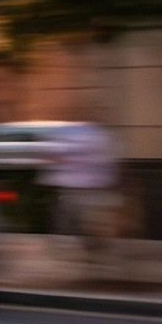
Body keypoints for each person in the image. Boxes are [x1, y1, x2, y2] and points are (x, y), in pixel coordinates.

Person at [42, 119, 122, 278]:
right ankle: (93, 250)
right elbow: (108, 159)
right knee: (89, 219)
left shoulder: (71, 134)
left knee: (80, 218)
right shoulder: (97, 134)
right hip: (91, 185)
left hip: (79, 185)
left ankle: (89, 249)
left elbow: (56, 158)